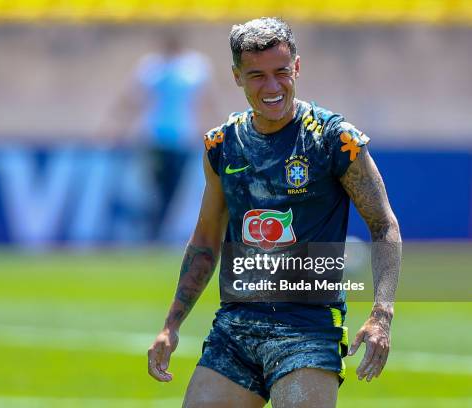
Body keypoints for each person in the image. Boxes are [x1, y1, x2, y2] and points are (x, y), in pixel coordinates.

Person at [147, 17, 401, 408]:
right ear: (237, 77)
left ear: (296, 67)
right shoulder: (222, 145)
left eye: (281, 72)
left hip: (309, 330)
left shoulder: (336, 140)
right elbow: (204, 241)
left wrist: (381, 315)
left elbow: (383, 225)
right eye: (257, 76)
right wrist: (171, 325)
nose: (272, 87)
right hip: (235, 329)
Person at [101, 30, 217, 240]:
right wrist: (118, 126)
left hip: (182, 138)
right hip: (155, 137)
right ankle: (154, 230)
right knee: (155, 187)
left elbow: (205, 102)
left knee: (173, 189)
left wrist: (214, 132)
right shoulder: (151, 67)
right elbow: (134, 99)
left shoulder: (195, 67)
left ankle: (158, 230)